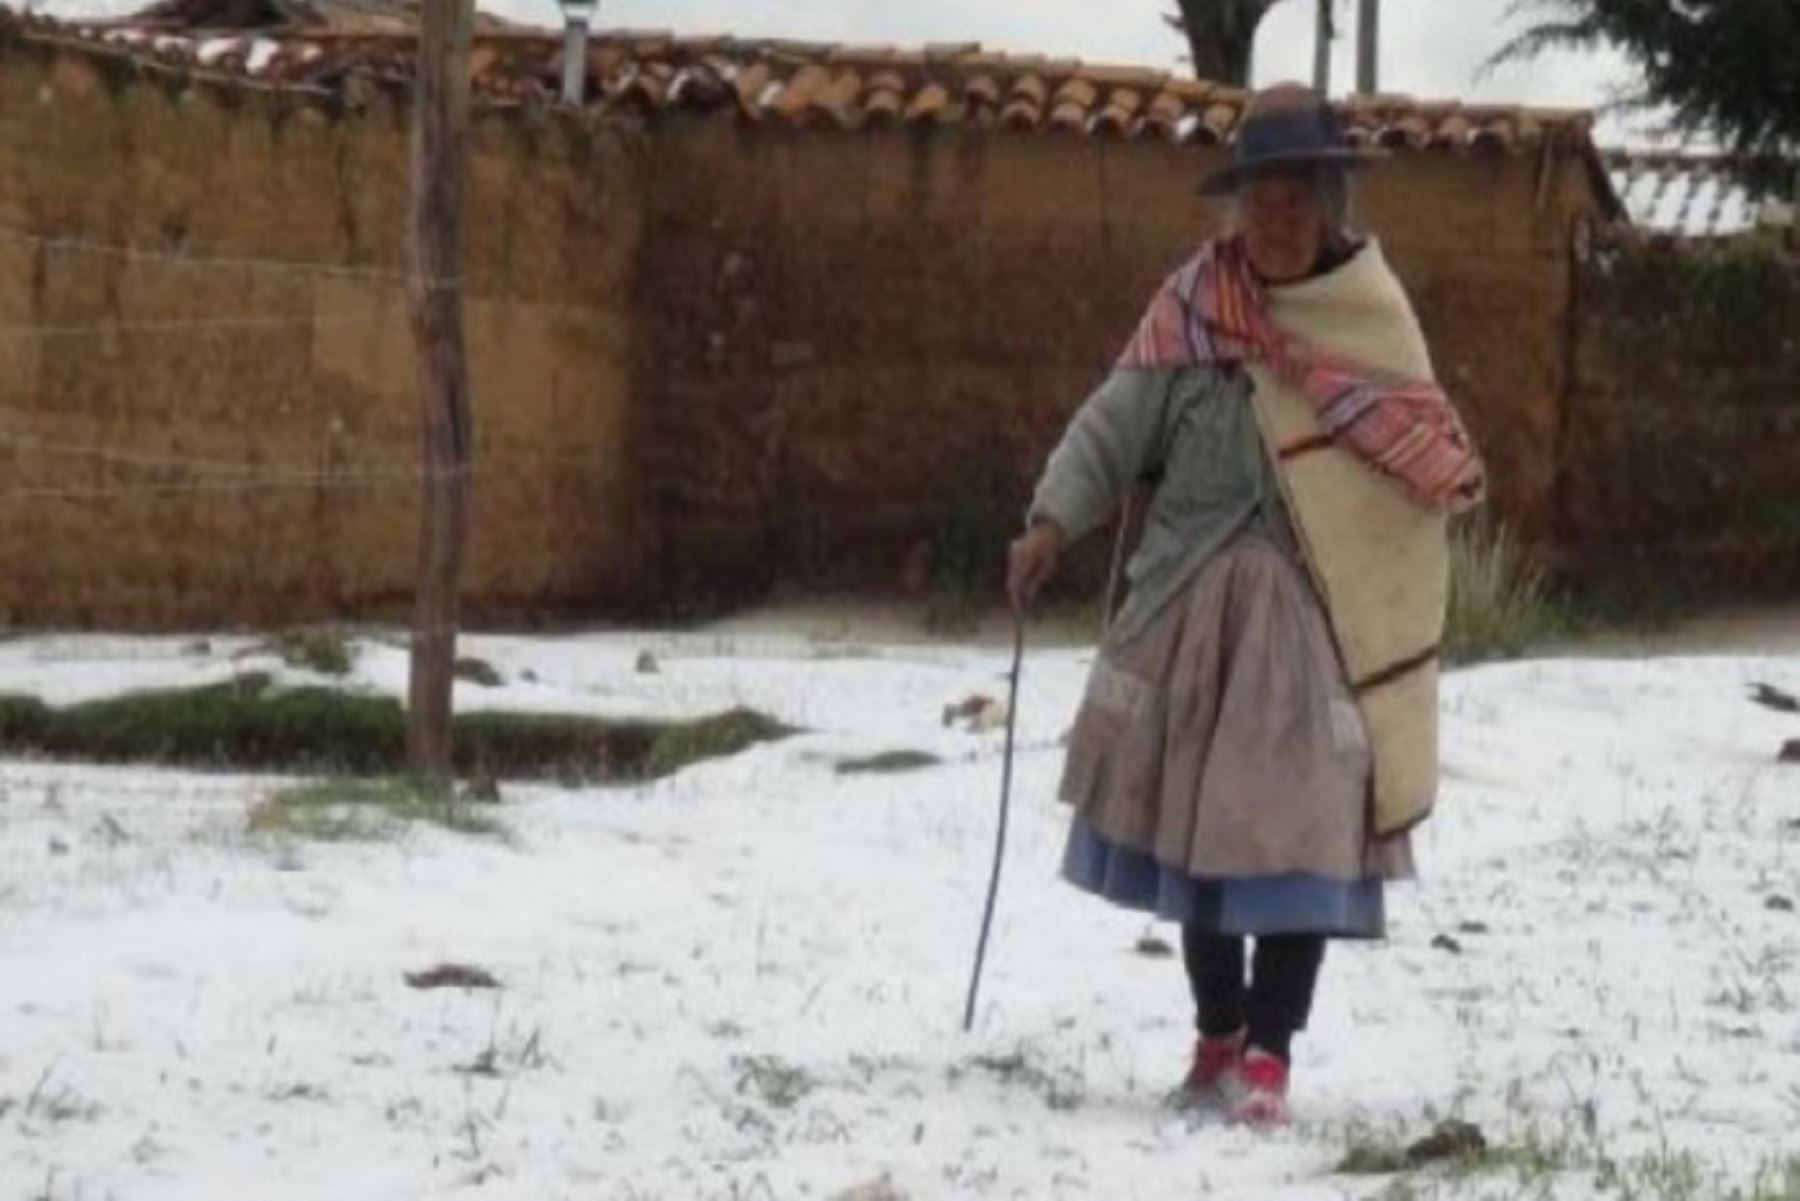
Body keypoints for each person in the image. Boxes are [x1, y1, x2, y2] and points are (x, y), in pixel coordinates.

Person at [1006, 83, 1485, 1127]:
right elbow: (1114, 423)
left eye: (1295, 197)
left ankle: (1272, 1053)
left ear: (1327, 201)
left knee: (1305, 834)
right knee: (1196, 840)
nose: (1275, 217)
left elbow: (1416, 448)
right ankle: (1218, 1029)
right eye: (1259, 197)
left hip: (1320, 624)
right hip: (1188, 611)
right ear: (1237, 205)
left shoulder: (1368, 317)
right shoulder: (1194, 306)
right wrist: (1050, 523)